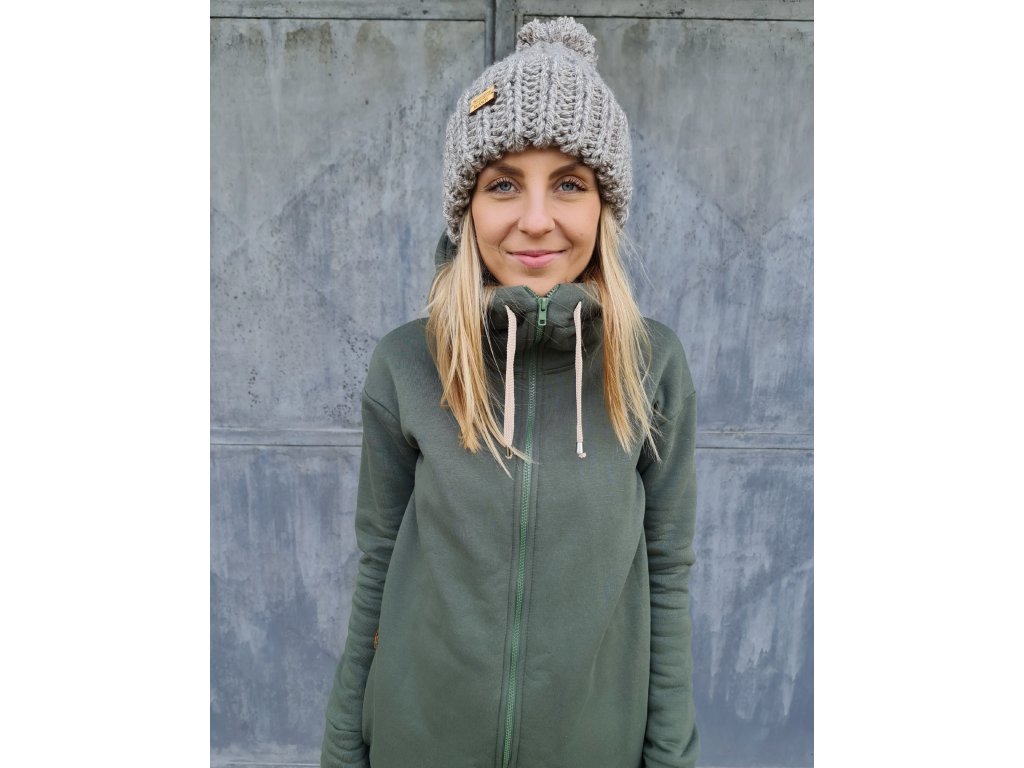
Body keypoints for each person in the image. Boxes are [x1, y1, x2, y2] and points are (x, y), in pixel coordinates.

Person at [321, 17, 698, 768]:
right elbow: (377, 566)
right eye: (502, 184)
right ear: (467, 207)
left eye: (569, 184)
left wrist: (671, 754)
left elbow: (667, 575)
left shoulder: (650, 366)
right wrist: (341, 749)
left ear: (604, 206)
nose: (535, 219)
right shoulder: (407, 363)